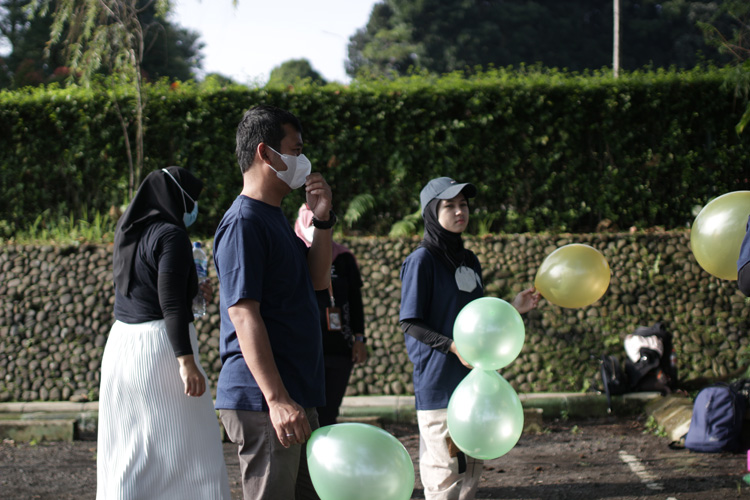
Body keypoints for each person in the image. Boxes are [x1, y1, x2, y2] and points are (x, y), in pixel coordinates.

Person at [213, 105, 334, 500]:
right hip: (266, 401)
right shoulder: (244, 222)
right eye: (295, 150)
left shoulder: (272, 217)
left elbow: (317, 281)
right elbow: (243, 313)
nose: (303, 160)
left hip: (295, 393)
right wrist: (277, 399)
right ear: (266, 153)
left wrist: (322, 220)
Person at [399, 176, 540, 500]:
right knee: (445, 474)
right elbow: (410, 322)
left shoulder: (469, 260)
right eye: (449, 206)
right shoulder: (421, 261)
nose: (459, 211)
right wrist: (452, 346)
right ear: (431, 212)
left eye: (463, 204)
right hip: (439, 385)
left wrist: (512, 308)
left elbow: (476, 320)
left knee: (471, 474)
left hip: (477, 383)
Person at [98, 166, 230, 499]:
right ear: (178, 198)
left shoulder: (128, 229)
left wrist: (192, 292)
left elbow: (144, 288)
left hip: (121, 346)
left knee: (130, 449)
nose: (194, 209)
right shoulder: (171, 235)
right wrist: (186, 362)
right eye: (192, 200)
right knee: (193, 451)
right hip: (161, 350)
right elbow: (169, 303)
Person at [294, 204, 368, 426]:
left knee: (328, 415)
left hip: (338, 348)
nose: (316, 228)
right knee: (304, 414)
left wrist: (359, 338)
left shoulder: (344, 258)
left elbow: (355, 300)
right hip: (303, 350)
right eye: (312, 222)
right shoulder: (293, 254)